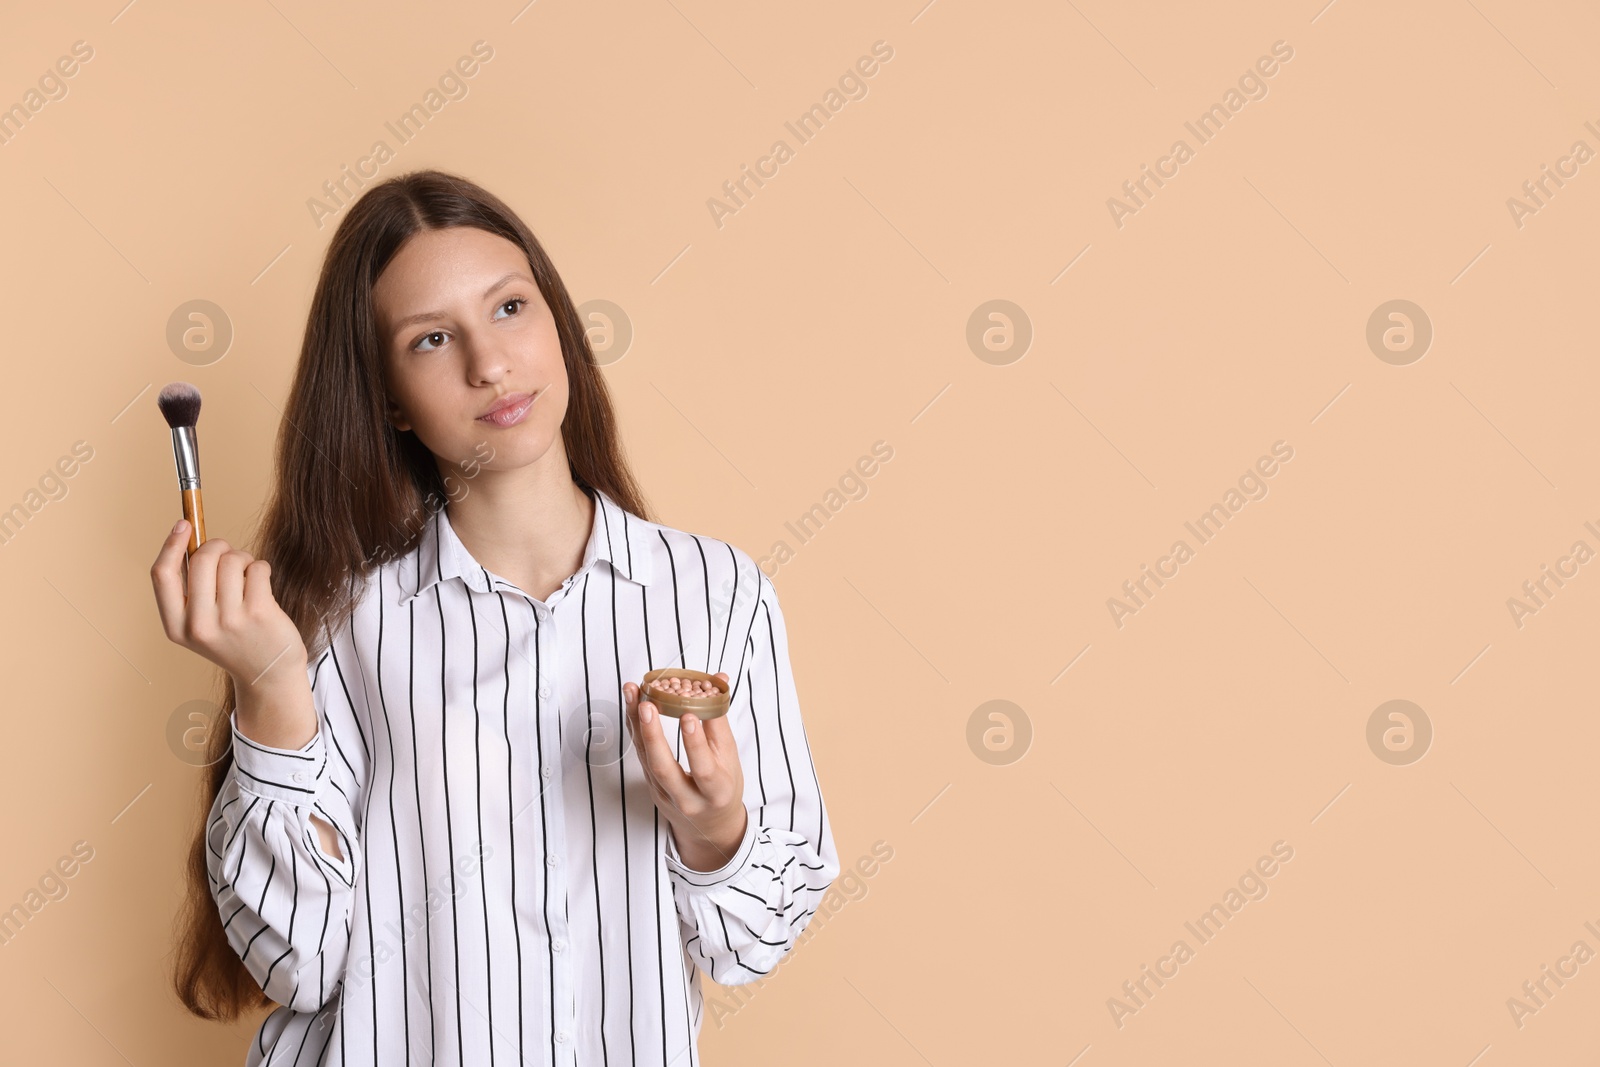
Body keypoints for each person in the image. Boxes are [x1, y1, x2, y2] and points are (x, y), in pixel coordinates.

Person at [151, 169, 838, 1066]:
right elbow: (300, 961)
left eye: (510, 309)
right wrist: (270, 686)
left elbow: (754, 942)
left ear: (557, 321)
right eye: (432, 338)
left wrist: (714, 830)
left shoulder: (715, 592)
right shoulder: (336, 619)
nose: (489, 363)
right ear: (388, 397)